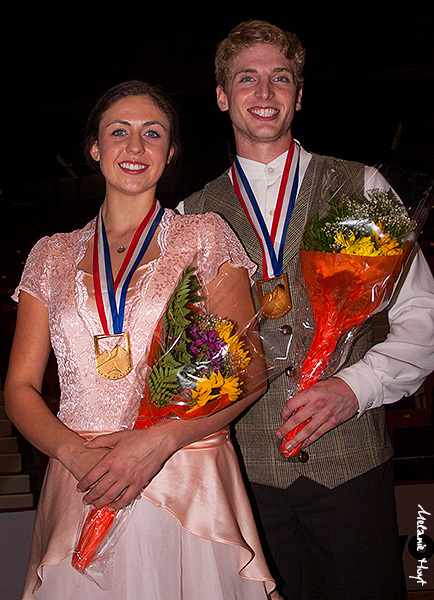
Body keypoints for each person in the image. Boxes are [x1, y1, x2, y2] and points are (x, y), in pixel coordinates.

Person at [181, 20, 434, 600]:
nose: (264, 93)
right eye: (248, 79)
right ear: (223, 97)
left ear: (300, 94)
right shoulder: (191, 215)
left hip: (352, 467)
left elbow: (421, 314)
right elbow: (185, 348)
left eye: (281, 79)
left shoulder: (362, 185)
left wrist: (356, 387)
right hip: (243, 477)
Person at [4, 79, 276, 599]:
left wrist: (162, 440)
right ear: (95, 149)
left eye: (152, 134)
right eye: (119, 132)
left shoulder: (205, 235)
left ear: (170, 153)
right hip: (81, 477)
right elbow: (19, 387)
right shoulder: (51, 254)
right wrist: (72, 453)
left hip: (183, 474)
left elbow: (250, 374)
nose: (135, 147)